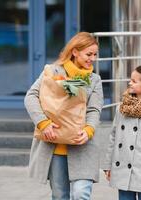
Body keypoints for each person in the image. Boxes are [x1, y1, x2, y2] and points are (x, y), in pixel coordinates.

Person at [24, 32, 104, 200]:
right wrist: (43, 123)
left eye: (95, 54)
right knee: (60, 195)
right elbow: (31, 97)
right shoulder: (52, 71)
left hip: (82, 144)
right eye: (89, 54)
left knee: (81, 193)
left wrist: (89, 130)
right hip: (55, 144)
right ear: (75, 52)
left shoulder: (94, 79)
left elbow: (94, 109)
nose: (93, 58)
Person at [102, 65, 141, 200]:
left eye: (134, 81)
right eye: (130, 79)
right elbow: (113, 137)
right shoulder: (122, 107)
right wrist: (108, 165)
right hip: (122, 166)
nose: (129, 83)